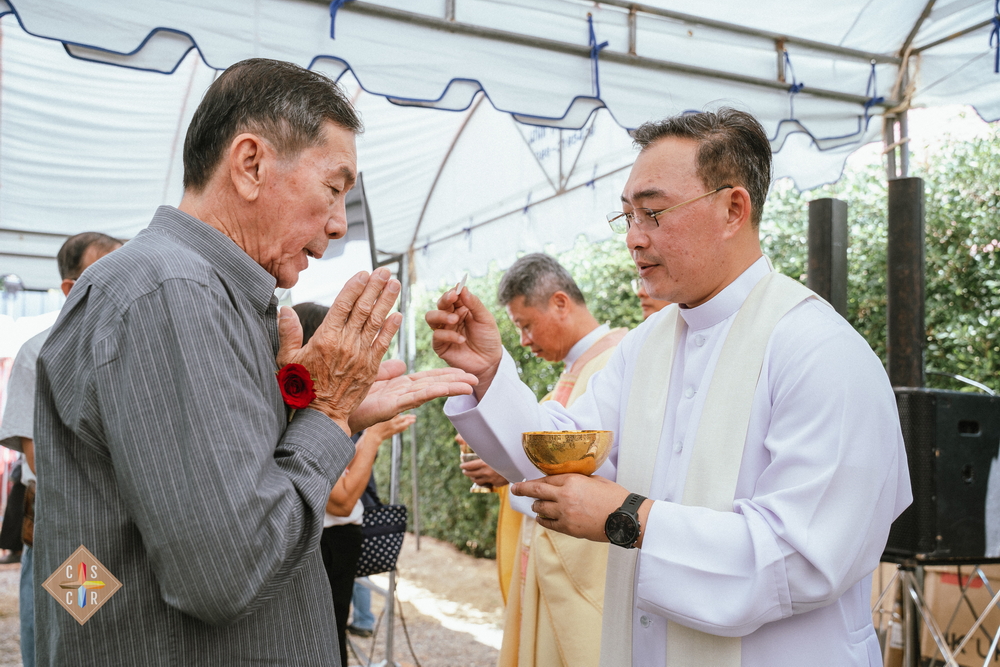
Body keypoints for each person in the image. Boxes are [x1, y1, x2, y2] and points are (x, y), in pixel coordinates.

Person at [427, 108, 910, 666]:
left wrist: (629, 517)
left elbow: (803, 559)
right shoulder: (646, 345)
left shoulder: (820, 350)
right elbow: (564, 453)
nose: (634, 239)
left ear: (733, 209)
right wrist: (490, 371)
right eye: (628, 216)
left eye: (653, 213)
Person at [33, 58, 476, 667]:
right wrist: (326, 413)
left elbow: (128, 525)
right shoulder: (173, 292)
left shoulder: (196, 289)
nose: (338, 225)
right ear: (250, 164)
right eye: (334, 189)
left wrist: (316, 410)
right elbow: (224, 574)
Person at [461, 253, 627, 667]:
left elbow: (609, 475)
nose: (523, 340)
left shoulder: (616, 359)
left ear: (560, 303)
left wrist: (509, 473)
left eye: (526, 325)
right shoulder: (580, 366)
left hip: (590, 568)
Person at [0, 231, 121, 667]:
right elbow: (39, 458)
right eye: (107, 273)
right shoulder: (41, 351)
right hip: (69, 530)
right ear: (71, 288)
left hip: (123, 530)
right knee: (61, 645)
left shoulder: (132, 344)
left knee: (111, 646)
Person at [293, 301, 415, 666]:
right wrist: (373, 437)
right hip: (327, 542)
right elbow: (344, 499)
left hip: (333, 542)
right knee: (328, 641)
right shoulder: (300, 414)